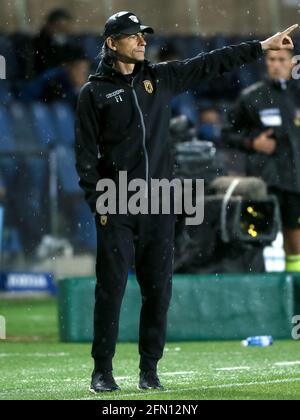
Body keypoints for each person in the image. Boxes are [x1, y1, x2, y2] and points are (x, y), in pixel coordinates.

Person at [75, 11, 298, 393]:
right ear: (112, 43)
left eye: (143, 35)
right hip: (118, 202)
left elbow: (209, 63)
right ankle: (103, 371)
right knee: (110, 289)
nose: (142, 41)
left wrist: (260, 47)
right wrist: (100, 203)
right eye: (133, 36)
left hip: (161, 200)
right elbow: (84, 155)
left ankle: (149, 370)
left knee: (158, 289)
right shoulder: (93, 93)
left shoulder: (160, 78)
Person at [224, 48, 300, 272]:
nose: (276, 64)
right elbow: (227, 133)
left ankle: (295, 296)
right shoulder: (252, 96)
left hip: (295, 182)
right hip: (263, 183)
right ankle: (258, 297)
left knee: (295, 242)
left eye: (281, 60)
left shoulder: (297, 95)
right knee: (255, 240)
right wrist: (251, 143)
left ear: (292, 63)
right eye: (271, 59)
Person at [34, 8, 73, 75]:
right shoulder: (39, 42)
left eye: (65, 29)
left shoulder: (68, 42)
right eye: (60, 28)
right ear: (50, 26)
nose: (62, 32)